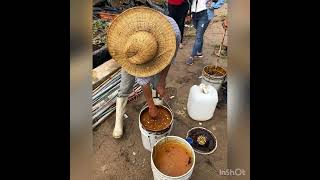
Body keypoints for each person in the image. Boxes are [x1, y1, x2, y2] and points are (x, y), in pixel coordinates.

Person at [107, 7, 181, 138]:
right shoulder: (128, 40)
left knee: (156, 81)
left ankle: (156, 97)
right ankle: (119, 121)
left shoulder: (173, 33)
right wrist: (151, 106)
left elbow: (169, 59)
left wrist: (162, 82)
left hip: (154, 46)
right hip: (129, 53)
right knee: (125, 86)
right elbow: (143, 81)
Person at [186, 0, 224, 65]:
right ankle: (199, 52)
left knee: (198, 35)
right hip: (194, 14)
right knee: (200, 34)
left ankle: (192, 56)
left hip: (204, 14)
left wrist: (214, 5)